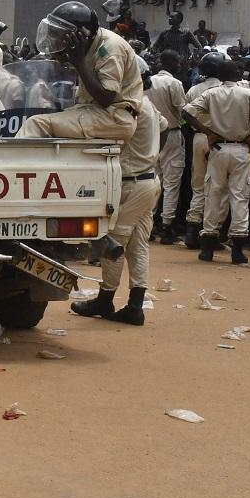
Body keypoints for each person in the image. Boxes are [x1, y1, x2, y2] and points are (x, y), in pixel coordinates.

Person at [71, 62, 164, 325]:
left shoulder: (131, 107)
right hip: (148, 180)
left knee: (114, 241)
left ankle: (105, 299)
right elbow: (165, 127)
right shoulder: (149, 106)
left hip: (131, 182)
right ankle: (134, 305)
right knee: (139, 245)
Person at [182, 58, 250, 264]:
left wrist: (207, 132)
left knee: (213, 193)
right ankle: (237, 251)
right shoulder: (247, 93)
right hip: (241, 149)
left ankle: (207, 246)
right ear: (237, 75)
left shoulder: (211, 93)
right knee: (239, 196)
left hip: (218, 148)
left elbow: (187, 113)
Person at [18, 1, 142, 140]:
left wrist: (79, 63)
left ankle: (10, 161)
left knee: (36, 124)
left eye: (61, 35)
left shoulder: (110, 48)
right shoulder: (89, 45)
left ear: (80, 36)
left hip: (114, 117)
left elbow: (106, 98)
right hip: (96, 112)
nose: (57, 39)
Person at [182, 51, 225, 247]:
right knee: (218, 188)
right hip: (219, 140)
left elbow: (186, 115)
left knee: (198, 186)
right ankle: (211, 233)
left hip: (199, 138)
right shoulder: (227, 89)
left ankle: (192, 230)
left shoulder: (194, 89)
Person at [147, 50, 187, 243]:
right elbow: (183, 110)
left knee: (154, 179)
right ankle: (167, 224)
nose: (179, 65)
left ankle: (148, 222)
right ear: (171, 63)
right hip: (171, 134)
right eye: (177, 62)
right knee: (171, 182)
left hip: (151, 135)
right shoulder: (174, 83)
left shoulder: (147, 81)